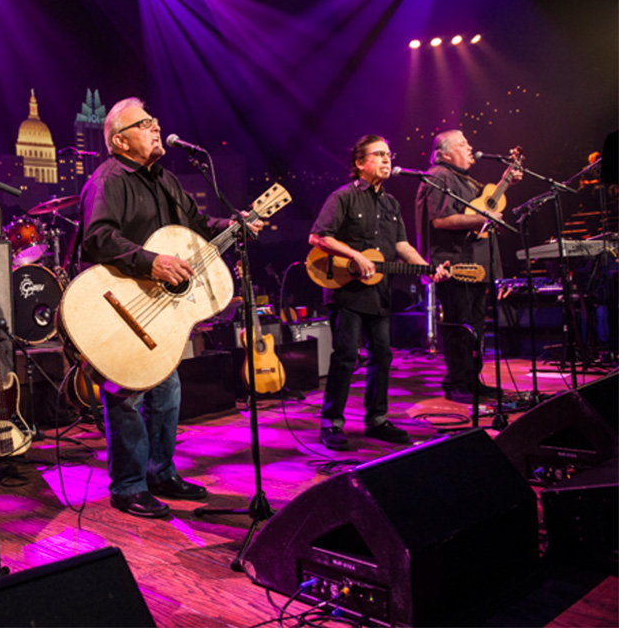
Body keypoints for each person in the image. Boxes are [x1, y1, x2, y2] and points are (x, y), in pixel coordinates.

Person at [75, 97, 264, 518]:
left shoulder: (166, 181)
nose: (156, 127)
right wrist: (152, 260)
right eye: (145, 124)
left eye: (155, 120)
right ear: (121, 142)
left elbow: (195, 226)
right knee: (126, 395)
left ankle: (161, 473)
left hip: (158, 308)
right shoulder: (109, 179)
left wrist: (233, 224)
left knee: (167, 392)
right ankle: (128, 486)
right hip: (121, 304)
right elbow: (98, 237)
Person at [309, 135, 449, 451]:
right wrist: (355, 256)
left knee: (382, 355)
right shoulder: (342, 197)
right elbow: (318, 237)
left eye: (389, 154)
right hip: (347, 290)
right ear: (359, 163)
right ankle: (331, 421)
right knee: (346, 356)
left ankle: (376, 419)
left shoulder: (391, 203)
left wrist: (427, 268)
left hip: (379, 293)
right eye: (379, 154)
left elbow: (401, 246)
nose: (387, 159)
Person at [415, 129, 520, 403]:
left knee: (475, 326)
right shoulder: (440, 175)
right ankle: (458, 383)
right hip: (456, 263)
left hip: (477, 264)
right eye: (463, 144)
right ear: (446, 153)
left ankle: (471, 380)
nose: (470, 147)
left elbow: (479, 207)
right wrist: (480, 220)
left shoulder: (463, 179)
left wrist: (507, 180)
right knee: (459, 325)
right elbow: (440, 220)